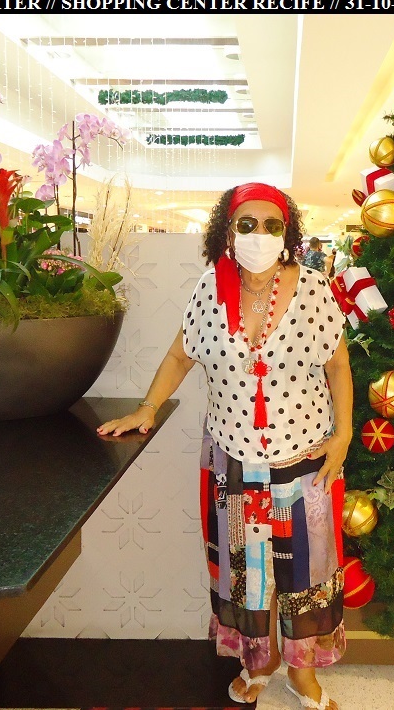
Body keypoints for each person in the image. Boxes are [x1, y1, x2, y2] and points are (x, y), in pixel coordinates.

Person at [96, 182, 352, 710]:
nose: (260, 234)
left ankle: (302, 672)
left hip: (304, 460)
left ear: (287, 234)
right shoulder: (209, 289)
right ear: (228, 232)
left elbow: (338, 365)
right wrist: (147, 408)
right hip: (235, 462)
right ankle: (260, 662)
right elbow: (179, 356)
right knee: (245, 575)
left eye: (272, 225)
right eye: (247, 224)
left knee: (306, 573)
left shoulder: (313, 288)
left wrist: (344, 433)